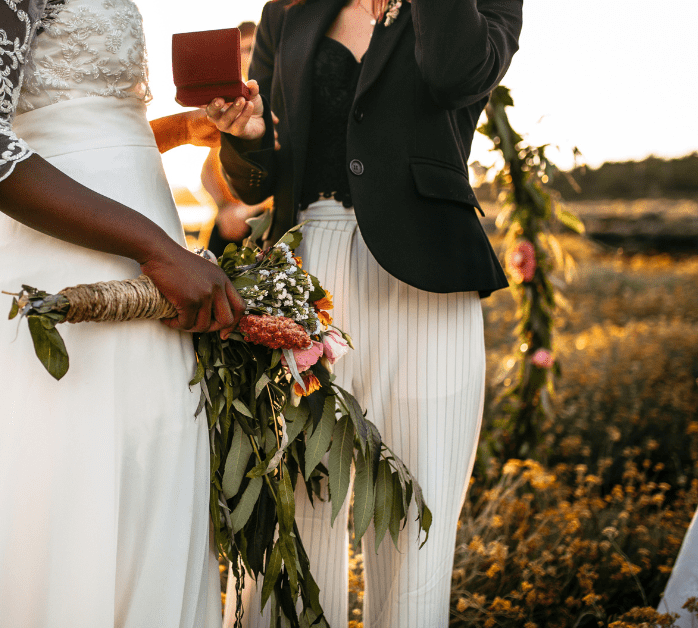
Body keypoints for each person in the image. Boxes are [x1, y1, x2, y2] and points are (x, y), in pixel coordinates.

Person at [0, 1, 242, 626]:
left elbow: (84, 125)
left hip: (150, 266)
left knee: (146, 477)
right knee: (66, 493)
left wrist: (179, 132)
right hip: (67, 271)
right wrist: (156, 249)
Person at [208, 0, 521, 625]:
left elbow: (454, 74)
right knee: (297, 507)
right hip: (307, 276)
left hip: (426, 279)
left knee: (416, 508)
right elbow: (259, 176)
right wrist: (243, 137)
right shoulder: (288, 10)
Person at [200, 21, 271, 258]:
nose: (247, 56)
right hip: (227, 221)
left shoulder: (275, 97)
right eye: (241, 50)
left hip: (264, 222)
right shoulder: (227, 104)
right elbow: (207, 171)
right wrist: (223, 208)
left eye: (252, 49)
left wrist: (247, 210)